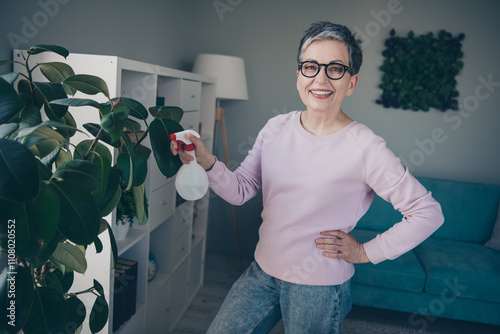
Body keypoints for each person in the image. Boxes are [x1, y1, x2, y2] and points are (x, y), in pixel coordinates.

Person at [172, 21, 444, 334]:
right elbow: (241, 190)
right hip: (262, 272)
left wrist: (366, 252)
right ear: (299, 76)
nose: (321, 78)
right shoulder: (276, 128)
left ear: (351, 82)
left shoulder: (366, 146)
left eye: (336, 68)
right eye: (311, 66)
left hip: (318, 290)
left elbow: (427, 213)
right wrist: (206, 161)